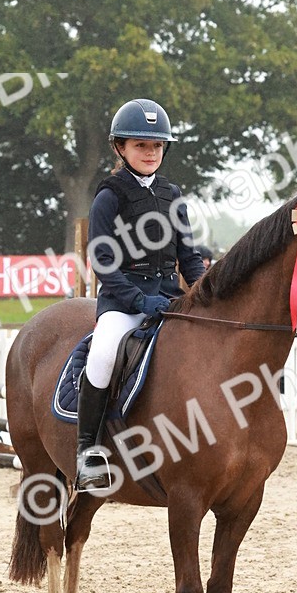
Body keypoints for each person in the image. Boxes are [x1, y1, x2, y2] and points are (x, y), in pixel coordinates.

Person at [76, 97, 205, 491]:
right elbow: (103, 262)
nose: (150, 153)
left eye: (157, 146)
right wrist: (137, 300)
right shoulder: (109, 196)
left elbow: (189, 257)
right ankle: (88, 451)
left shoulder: (172, 194)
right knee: (103, 354)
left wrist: (205, 293)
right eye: (141, 145)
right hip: (124, 303)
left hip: (169, 300)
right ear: (121, 147)